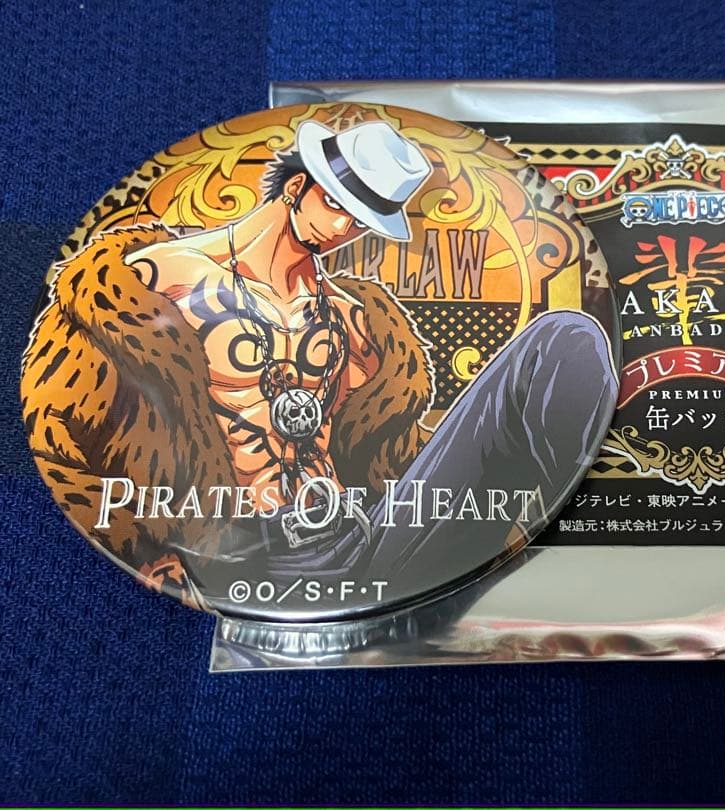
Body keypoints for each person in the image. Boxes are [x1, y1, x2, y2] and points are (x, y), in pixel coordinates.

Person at [23, 119, 617, 615]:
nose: (343, 230)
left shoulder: (354, 318)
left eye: (361, 220)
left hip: (363, 545)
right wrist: (141, 542)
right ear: (297, 187)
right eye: (339, 206)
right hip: (229, 554)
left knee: (565, 339)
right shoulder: (153, 280)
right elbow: (57, 429)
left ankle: (559, 542)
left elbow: (392, 447)